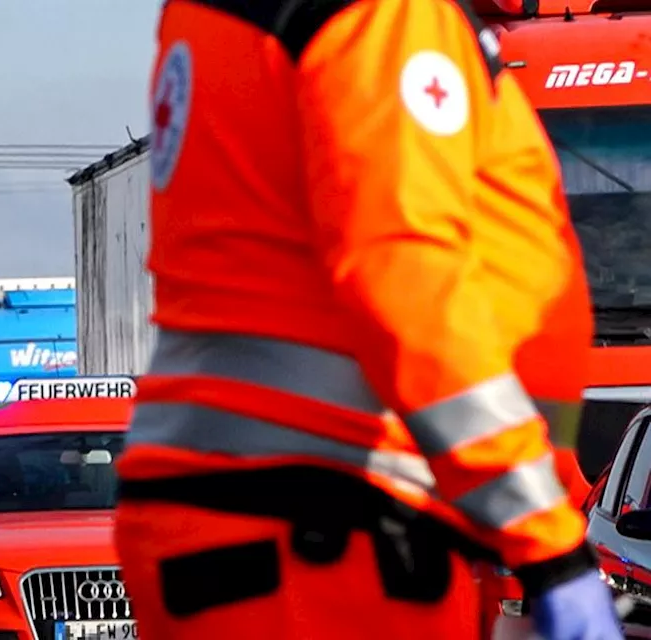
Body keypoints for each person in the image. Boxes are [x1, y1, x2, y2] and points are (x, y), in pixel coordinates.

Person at [112, 1, 622, 639]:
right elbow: (405, 279)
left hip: (253, 526)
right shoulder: (385, 14)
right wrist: (545, 541)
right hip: (324, 533)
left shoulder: (222, 16)